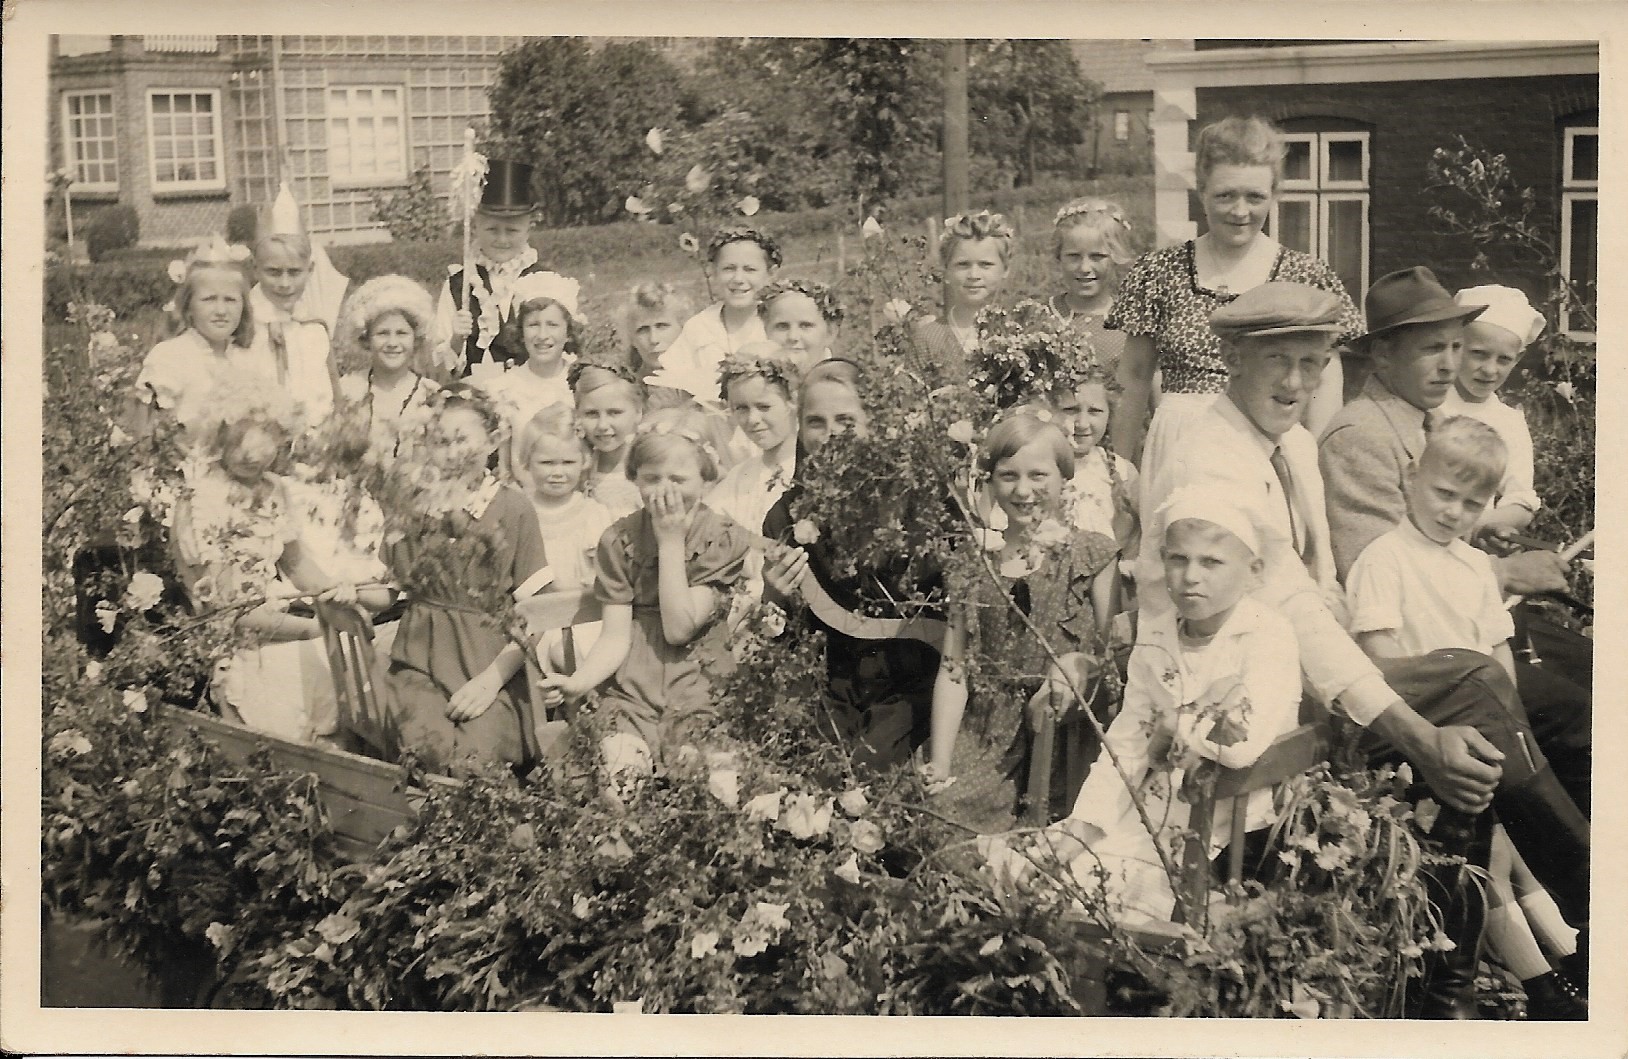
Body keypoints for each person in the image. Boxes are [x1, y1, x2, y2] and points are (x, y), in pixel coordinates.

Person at [1144, 280, 1587, 1018]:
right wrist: (1415, 729)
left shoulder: (1290, 444)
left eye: (1311, 363)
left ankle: (1452, 980)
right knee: (1472, 689)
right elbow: (1293, 611)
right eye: (1277, 361)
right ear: (1229, 358)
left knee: (1509, 707)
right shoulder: (1212, 460)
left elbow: (1324, 592)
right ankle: (1583, 900)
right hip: (1239, 694)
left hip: (1305, 670)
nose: (1295, 383)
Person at [1344, 416, 1585, 1018]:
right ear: (1409, 480)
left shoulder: (1475, 567)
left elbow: (1501, 661)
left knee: (1473, 842)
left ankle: (1458, 987)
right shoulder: (1384, 559)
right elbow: (1382, 662)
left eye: (1472, 503)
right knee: (1470, 821)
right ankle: (1582, 898)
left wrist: (1510, 729)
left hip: (1479, 734)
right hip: (1414, 728)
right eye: (1442, 495)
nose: (1453, 513)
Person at [1044, 486, 1300, 925]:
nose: (1190, 576)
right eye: (1178, 559)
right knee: (1051, 873)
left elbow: (1242, 744)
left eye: (1212, 562)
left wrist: (1175, 725)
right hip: (1154, 813)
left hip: (1229, 826)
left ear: (1253, 571)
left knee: (1123, 902)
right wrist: (1083, 829)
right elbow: (1126, 744)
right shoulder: (1159, 634)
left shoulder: (1266, 635)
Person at [1107, 116, 1363, 484]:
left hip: (1270, 447)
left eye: (1255, 196)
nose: (1240, 211)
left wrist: (1313, 466)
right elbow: (1133, 377)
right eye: (1225, 195)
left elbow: (1323, 382)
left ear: (1275, 194)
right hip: (1179, 448)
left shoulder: (1306, 276)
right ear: (1201, 191)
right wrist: (1121, 467)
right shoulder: (1159, 271)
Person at [924, 411, 1118, 833]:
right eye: (1008, 476)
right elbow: (954, 670)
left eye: (1038, 475)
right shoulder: (974, 563)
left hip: (1058, 732)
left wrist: (1076, 672)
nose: (1024, 490)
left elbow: (1110, 663)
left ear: (1064, 476)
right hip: (984, 730)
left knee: (956, 825)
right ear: (990, 481)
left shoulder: (1092, 556)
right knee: (924, 808)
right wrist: (939, 761)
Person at [538, 413, 752, 780]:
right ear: (634, 479)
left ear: (705, 479)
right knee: (622, 777)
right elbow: (615, 637)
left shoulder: (720, 537)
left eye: (678, 479)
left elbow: (679, 629)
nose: (665, 490)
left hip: (699, 680)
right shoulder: (620, 539)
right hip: (634, 682)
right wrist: (580, 681)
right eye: (652, 478)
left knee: (712, 779)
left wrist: (670, 541)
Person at [762, 360, 940, 776]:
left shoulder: (914, 500)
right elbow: (780, 628)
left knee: (868, 769)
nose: (830, 436)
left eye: (845, 420)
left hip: (911, 678)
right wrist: (776, 595)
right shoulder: (786, 512)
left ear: (872, 423)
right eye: (816, 423)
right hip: (830, 680)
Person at [365, 388, 553, 773]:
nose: (451, 453)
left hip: (490, 663)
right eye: (440, 442)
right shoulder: (416, 506)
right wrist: (349, 591)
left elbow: (537, 614)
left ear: (492, 441)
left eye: (462, 440)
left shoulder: (514, 508)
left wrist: (491, 681)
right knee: (426, 748)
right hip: (420, 662)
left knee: (479, 759)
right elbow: (389, 590)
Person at [171, 377, 367, 744]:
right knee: (312, 665)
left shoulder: (274, 490)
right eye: (240, 442)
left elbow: (296, 564)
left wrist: (334, 591)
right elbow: (227, 610)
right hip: (234, 640)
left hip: (276, 622)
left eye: (266, 443)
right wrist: (315, 628)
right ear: (220, 435)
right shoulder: (200, 500)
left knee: (347, 682)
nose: (252, 455)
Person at [134, 241, 279, 442]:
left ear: (244, 308)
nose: (221, 311)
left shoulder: (249, 356)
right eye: (209, 299)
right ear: (188, 307)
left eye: (230, 300)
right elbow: (146, 434)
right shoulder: (170, 356)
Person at [1439, 284, 1548, 543]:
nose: (1490, 370)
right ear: (1456, 346)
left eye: (1503, 359)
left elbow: (1521, 502)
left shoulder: (1509, 422)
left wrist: (1478, 526)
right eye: (1479, 354)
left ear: (1518, 359)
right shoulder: (1431, 405)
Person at [513, 402, 614, 669]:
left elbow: (605, 577)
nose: (558, 472)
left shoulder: (593, 514)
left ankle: (587, 704)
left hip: (582, 615)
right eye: (547, 463)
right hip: (532, 618)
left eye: (568, 462)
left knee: (565, 654)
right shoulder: (519, 511)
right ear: (526, 461)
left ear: (585, 461)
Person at [433, 158, 550, 383]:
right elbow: (439, 370)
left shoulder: (545, 281)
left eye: (512, 230)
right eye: (492, 229)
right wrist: (457, 338)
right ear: (475, 226)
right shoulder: (459, 285)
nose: (502, 239)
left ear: (528, 228)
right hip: (475, 400)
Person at [651, 225, 782, 402]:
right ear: (714, 272)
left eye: (750, 269)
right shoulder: (699, 327)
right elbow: (670, 385)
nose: (738, 279)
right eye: (729, 269)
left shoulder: (782, 322)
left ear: (771, 274)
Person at [333, 275, 443, 464]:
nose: (393, 343)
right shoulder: (347, 389)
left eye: (401, 333)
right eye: (382, 333)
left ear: (416, 339)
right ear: (366, 339)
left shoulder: (430, 394)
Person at [484, 271, 583, 464]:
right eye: (533, 325)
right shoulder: (504, 388)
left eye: (552, 325)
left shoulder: (582, 381)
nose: (542, 335)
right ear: (520, 333)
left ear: (569, 332)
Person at [706, 342, 801, 538]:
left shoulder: (807, 470)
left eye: (764, 407)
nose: (752, 420)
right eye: (741, 408)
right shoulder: (738, 479)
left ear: (792, 401)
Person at [907, 210, 1014, 382]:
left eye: (985, 265)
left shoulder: (1019, 333)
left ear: (1005, 269)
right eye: (963, 265)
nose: (973, 274)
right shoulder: (928, 339)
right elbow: (910, 405)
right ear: (946, 270)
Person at [1056, 366, 1139, 584]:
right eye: (1071, 409)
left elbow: (1137, 540)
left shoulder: (1121, 471)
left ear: (1110, 414)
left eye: (1094, 411)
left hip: (1108, 583)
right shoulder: (1040, 467)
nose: (1082, 423)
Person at [250, 229, 340, 427]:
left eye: (294, 272)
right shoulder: (243, 327)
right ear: (255, 269)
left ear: (310, 270)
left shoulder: (314, 328)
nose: (285, 283)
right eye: (273, 272)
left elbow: (330, 394)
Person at [1048, 197, 1136, 374]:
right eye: (1074, 256)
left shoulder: (1132, 323)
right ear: (1059, 257)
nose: (1084, 268)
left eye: (1097, 257)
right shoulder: (1043, 317)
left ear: (1115, 258)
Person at [571, 358, 648, 521]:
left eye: (614, 412)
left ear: (638, 412)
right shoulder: (579, 464)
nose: (603, 425)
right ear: (577, 414)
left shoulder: (647, 464)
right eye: (591, 414)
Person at [619, 281, 695, 409]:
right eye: (642, 329)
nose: (653, 339)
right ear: (631, 339)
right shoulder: (624, 390)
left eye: (662, 326)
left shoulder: (709, 379)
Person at [759, 278, 841, 373]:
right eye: (782, 326)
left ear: (830, 333)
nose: (792, 336)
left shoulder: (846, 384)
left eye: (805, 326)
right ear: (766, 330)